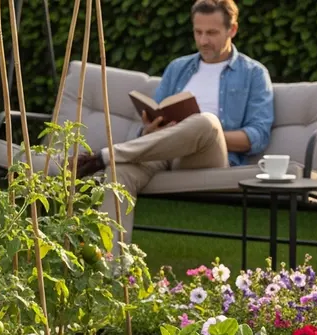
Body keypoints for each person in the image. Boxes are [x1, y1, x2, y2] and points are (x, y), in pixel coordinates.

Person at [73, 0, 274, 242]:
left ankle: (104, 156)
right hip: (164, 151)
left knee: (206, 122)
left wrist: (209, 132)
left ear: (232, 30)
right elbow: (158, 113)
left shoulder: (253, 74)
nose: (203, 41)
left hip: (207, 156)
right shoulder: (178, 68)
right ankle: (109, 271)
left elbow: (258, 135)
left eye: (211, 33)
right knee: (120, 173)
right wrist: (151, 128)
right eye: (198, 32)